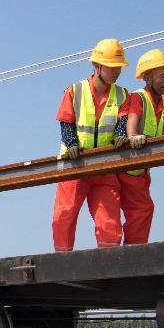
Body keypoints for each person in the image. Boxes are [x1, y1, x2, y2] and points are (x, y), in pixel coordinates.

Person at [52, 38, 130, 251]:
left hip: (104, 165)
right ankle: (62, 261)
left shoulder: (122, 95)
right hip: (74, 165)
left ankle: (110, 263)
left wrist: (121, 136)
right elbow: (66, 122)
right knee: (64, 215)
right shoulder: (75, 91)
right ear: (97, 66)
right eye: (112, 67)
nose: (117, 72)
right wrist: (71, 144)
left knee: (109, 221)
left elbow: (122, 124)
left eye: (119, 67)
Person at [117, 49, 164, 244]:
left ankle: (134, 249)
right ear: (147, 77)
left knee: (142, 211)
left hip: (142, 170)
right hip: (129, 169)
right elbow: (132, 119)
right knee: (142, 210)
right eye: (163, 76)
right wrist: (133, 136)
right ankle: (133, 251)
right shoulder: (138, 97)